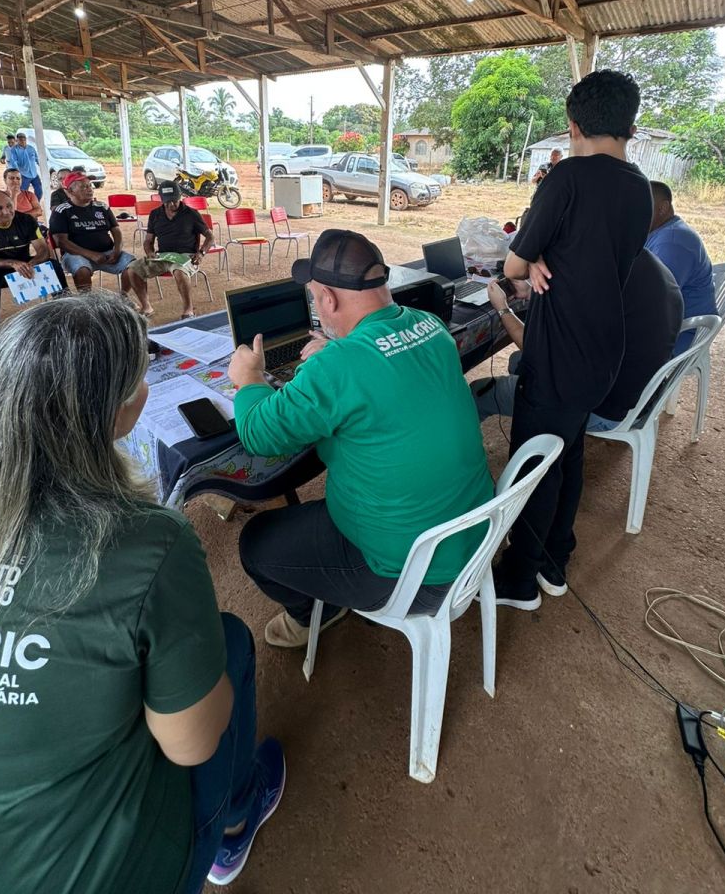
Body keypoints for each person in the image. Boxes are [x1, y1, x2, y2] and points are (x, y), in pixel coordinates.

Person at [0, 292, 284, 893]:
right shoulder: (148, 541)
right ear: (126, 410)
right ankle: (231, 823)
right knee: (229, 642)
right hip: (101, 875)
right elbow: (191, 745)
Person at [230, 229, 494, 649]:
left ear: (328, 301)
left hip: (407, 574)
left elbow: (260, 435)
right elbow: (381, 368)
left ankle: (314, 614)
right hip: (473, 542)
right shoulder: (429, 325)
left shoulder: (338, 366)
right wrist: (338, 351)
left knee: (255, 543)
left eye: (315, 296)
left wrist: (248, 380)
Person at [494, 70, 653, 609]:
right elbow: (590, 251)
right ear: (628, 125)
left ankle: (518, 581)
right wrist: (546, 254)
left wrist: (533, 255)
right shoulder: (639, 188)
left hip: (558, 351)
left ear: (573, 124)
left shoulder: (568, 177)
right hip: (604, 348)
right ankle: (555, 562)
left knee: (534, 465)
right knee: (568, 452)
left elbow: (513, 263)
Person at [473, 249, 683, 432]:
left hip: (604, 411)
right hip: (641, 397)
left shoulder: (586, 280)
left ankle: (465, 471)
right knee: (517, 362)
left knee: (476, 393)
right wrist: (531, 291)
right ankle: (535, 420)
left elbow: (538, 352)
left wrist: (503, 308)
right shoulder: (645, 262)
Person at [49, 172, 148, 307]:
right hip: (76, 255)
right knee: (82, 270)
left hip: (107, 253)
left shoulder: (102, 207)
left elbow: (116, 231)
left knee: (134, 266)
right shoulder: (62, 211)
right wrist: (91, 255)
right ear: (70, 191)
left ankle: (122, 298)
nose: (89, 189)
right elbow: (62, 242)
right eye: (83, 187)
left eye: (90, 186)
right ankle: (88, 304)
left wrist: (117, 251)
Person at [0, 190, 57, 335]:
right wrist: (12, 263)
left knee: (53, 266)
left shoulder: (26, 220)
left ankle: (64, 308)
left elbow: (43, 250)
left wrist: (32, 263)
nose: (6, 211)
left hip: (23, 265)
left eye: (9, 206)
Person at [646, 181, 717, 354]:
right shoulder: (660, 232)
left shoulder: (672, 241)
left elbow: (654, 300)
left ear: (662, 209)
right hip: (666, 327)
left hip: (680, 336)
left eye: (641, 206)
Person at [129, 181, 214, 318]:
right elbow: (148, 241)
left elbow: (210, 236)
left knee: (179, 272)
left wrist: (201, 253)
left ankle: (188, 309)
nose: (171, 204)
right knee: (132, 270)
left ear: (180, 197)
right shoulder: (155, 214)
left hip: (186, 256)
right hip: (163, 256)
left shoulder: (191, 214)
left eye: (174, 201)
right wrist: (150, 253)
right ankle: (146, 306)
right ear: (162, 200)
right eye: (167, 202)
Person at [4, 131, 42, 199]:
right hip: (23, 175)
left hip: (34, 173)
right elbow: (14, 162)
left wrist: (41, 165)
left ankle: (36, 203)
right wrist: (17, 173)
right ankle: (24, 206)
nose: (23, 141)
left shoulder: (31, 148)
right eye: (21, 140)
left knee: (39, 190)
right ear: (17, 140)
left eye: (24, 140)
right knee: (23, 192)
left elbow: (36, 158)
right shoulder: (14, 150)